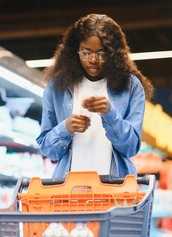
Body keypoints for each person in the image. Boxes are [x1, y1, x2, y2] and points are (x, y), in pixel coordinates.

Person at [36, 13, 154, 179]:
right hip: (70, 194)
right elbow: (48, 150)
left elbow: (131, 147)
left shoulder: (131, 86)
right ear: (75, 50)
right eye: (86, 52)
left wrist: (110, 114)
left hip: (115, 192)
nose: (93, 60)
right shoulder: (57, 88)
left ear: (114, 54)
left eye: (102, 54)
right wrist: (66, 128)